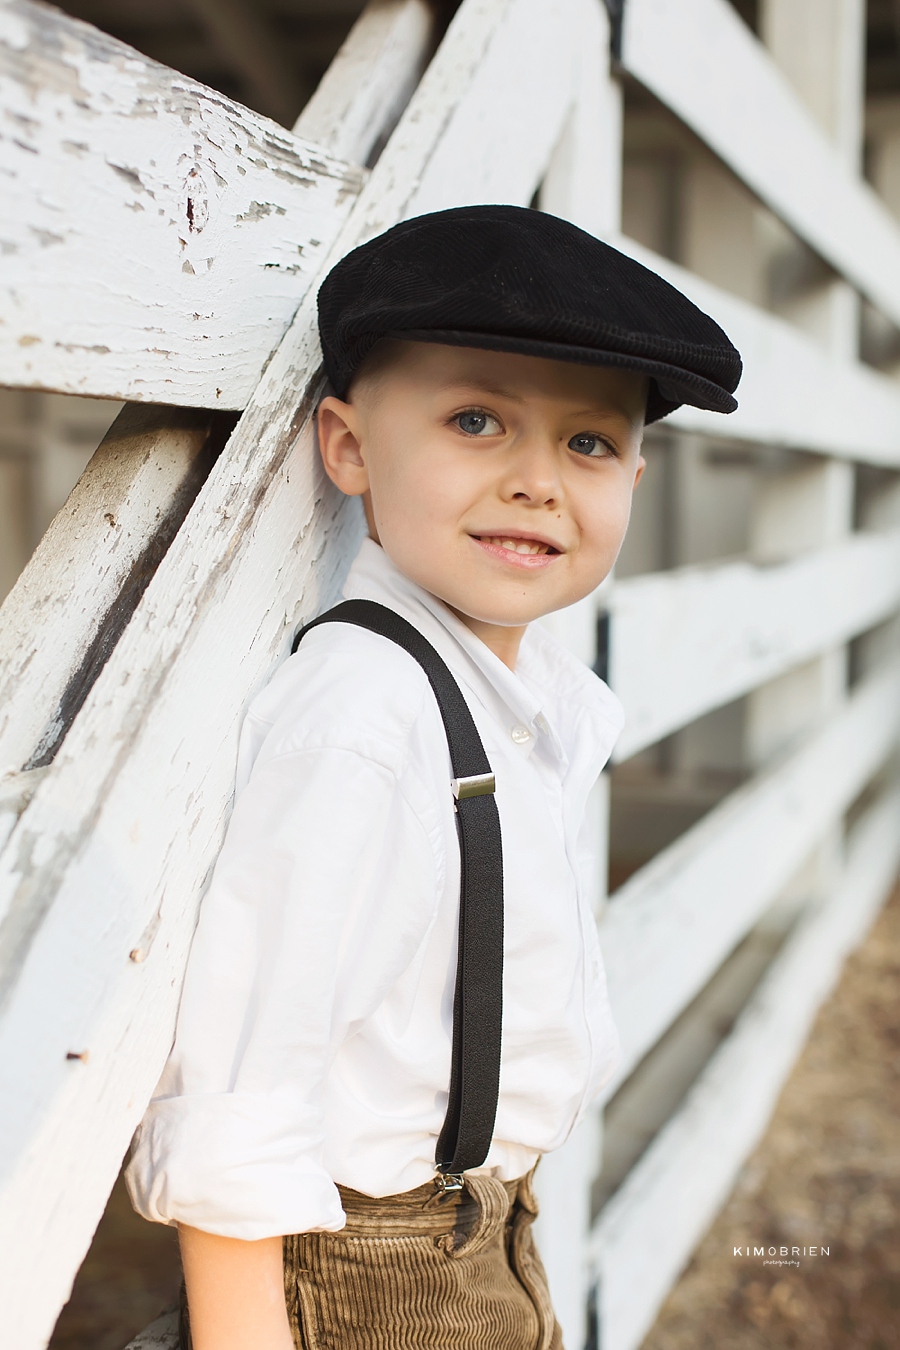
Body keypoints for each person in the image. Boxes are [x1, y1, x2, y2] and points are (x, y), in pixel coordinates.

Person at [126, 204, 741, 1350]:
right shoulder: (364, 717)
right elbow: (242, 1095)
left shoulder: (536, 700)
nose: (538, 482)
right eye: (477, 420)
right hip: (368, 1274)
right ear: (350, 447)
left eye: (590, 443)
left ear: (636, 476)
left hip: (489, 1232)